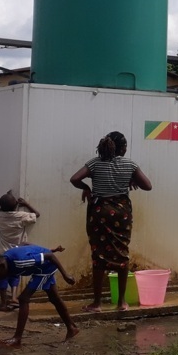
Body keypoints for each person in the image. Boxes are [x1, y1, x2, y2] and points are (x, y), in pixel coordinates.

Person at [69, 131, 152, 313]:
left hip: (100, 212)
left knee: (99, 254)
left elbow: (74, 179)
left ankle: (97, 304)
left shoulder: (95, 163)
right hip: (121, 213)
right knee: (122, 252)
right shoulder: (129, 164)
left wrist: (86, 188)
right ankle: (121, 302)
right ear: (122, 148)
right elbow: (147, 186)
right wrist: (130, 178)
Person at [0, 244, 79, 347]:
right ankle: (72, 328)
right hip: (40, 268)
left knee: (23, 299)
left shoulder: (20, 261)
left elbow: (50, 256)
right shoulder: (6, 261)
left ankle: (17, 338)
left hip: (46, 268)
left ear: (1, 267)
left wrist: (65, 275)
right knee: (54, 298)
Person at [0, 191, 42, 311]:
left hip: (3, 253)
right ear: (16, 205)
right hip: (16, 253)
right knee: (15, 275)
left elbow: (1, 210)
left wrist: (7, 197)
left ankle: (3, 303)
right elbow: (37, 214)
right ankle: (14, 298)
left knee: (2, 277)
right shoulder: (21, 216)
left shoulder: (0, 216)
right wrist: (26, 204)